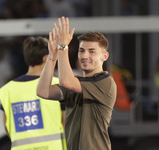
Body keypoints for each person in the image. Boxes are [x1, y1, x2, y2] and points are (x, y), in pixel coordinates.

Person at [37, 17, 117, 150]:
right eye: (81, 51)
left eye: (92, 51)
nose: (85, 56)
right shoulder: (78, 83)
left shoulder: (105, 82)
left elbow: (66, 81)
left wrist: (63, 47)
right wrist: (52, 57)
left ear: (104, 56)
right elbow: (43, 91)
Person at [0, 36, 66, 150]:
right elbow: (66, 123)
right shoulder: (56, 85)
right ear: (45, 58)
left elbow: (6, 125)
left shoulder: (8, 90)